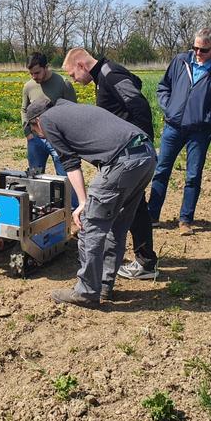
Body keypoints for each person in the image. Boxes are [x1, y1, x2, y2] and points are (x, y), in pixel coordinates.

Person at [26, 98, 156, 307]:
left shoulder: (48, 119)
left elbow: (69, 162)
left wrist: (83, 202)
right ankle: (103, 286)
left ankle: (86, 292)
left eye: (34, 128)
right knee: (117, 226)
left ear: (37, 121)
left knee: (89, 225)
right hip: (146, 155)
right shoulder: (68, 109)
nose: (39, 134)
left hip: (123, 162)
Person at [62, 47, 159, 280]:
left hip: (130, 154)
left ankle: (145, 262)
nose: (74, 81)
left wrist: (138, 143)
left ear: (81, 65)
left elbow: (139, 105)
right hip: (123, 153)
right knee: (135, 207)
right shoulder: (103, 76)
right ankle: (142, 259)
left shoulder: (110, 74)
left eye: (73, 75)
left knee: (135, 208)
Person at [148, 27, 211, 235]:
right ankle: (152, 215)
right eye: (195, 48)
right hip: (172, 127)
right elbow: (163, 87)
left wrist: (206, 118)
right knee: (161, 171)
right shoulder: (180, 61)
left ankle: (185, 220)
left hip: (199, 132)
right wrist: (169, 108)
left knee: (193, 175)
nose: (198, 53)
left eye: (203, 50)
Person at [21, 52, 77, 176]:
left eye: (37, 73)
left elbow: (73, 111)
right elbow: (24, 110)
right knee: (35, 178)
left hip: (58, 139)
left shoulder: (63, 83)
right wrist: (28, 133)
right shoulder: (28, 87)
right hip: (36, 140)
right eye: (31, 73)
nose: (34, 77)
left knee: (66, 178)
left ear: (46, 67)